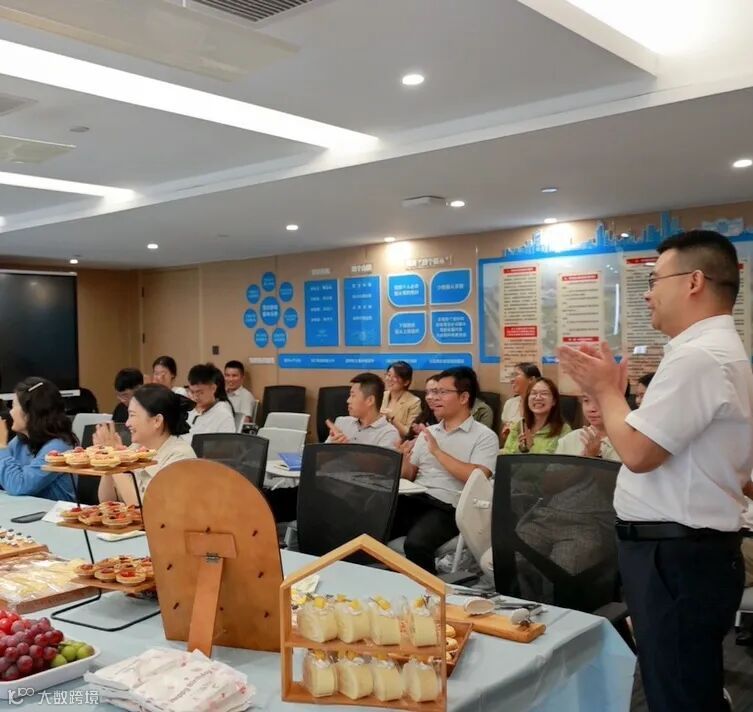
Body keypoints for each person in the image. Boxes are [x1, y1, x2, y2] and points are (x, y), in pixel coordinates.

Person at [558, 229, 752, 712]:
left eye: (654, 280)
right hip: (681, 552)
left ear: (694, 282)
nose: (647, 294)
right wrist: (612, 394)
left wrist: (606, 392)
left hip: (678, 556)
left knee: (678, 693)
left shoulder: (700, 357)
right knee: (681, 684)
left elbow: (639, 453)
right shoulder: (709, 351)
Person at [392, 367, 498, 573]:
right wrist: (402, 459)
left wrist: (437, 452)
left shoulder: (484, 436)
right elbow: (409, 475)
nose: (433, 398)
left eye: (442, 392)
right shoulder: (429, 432)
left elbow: (476, 477)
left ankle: (430, 591)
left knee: (416, 544)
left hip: (449, 507)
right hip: (414, 499)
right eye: (432, 392)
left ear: (464, 397)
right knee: (369, 524)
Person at [96, 384, 196, 505]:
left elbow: (144, 508)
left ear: (157, 421)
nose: (127, 423)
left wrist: (116, 460)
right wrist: (109, 461)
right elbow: (106, 501)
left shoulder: (180, 456)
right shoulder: (135, 449)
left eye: (132, 415)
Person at [0, 378, 76, 500]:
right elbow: (5, 478)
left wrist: (1, 446)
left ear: (30, 413)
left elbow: (20, 486)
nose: (10, 412)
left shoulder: (59, 447)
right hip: (25, 508)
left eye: (13, 406)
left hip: (55, 510)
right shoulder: (20, 441)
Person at [325, 373, 399, 448]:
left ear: (370, 400)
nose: (348, 400)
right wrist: (331, 448)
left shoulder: (388, 433)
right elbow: (321, 455)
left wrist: (345, 449)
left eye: (353, 396)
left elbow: (379, 457)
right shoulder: (341, 423)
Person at [501, 378, 569, 454]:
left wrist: (530, 448)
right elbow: (506, 456)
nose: (538, 397)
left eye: (544, 393)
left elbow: (561, 461)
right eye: (533, 393)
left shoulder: (563, 430)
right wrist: (520, 449)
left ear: (554, 401)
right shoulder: (518, 426)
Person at [182, 364, 236, 443]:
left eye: (200, 392)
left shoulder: (223, 414)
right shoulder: (190, 409)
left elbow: (225, 447)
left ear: (213, 388)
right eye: (192, 392)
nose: (195, 397)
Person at [501, 362, 541, 442]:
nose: (512, 380)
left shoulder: (541, 404)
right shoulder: (510, 403)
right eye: (512, 376)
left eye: (516, 375)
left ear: (531, 379)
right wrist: (507, 435)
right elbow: (506, 438)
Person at [381, 361, 422, 439]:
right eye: (388, 375)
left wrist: (392, 418)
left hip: (399, 442)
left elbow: (409, 433)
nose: (389, 379)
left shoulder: (414, 402)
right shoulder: (382, 395)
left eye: (395, 377)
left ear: (406, 382)